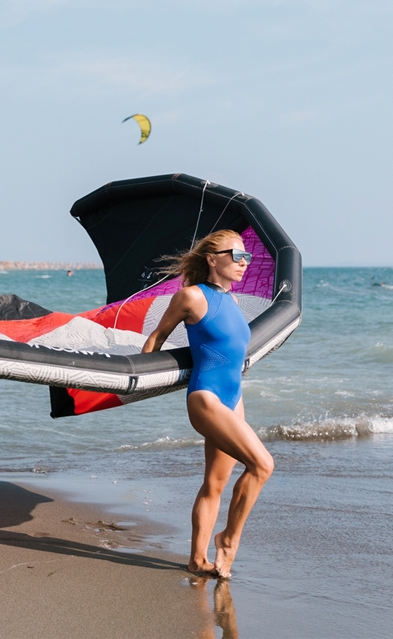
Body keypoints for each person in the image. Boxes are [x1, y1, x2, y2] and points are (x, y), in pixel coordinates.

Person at [141, 229, 273, 578]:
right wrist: (136, 384)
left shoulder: (232, 301)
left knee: (214, 484)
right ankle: (228, 540)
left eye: (247, 257)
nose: (244, 263)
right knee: (262, 465)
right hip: (206, 397)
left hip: (234, 398)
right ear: (212, 259)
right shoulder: (191, 297)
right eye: (236, 255)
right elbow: (157, 337)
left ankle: (197, 559)